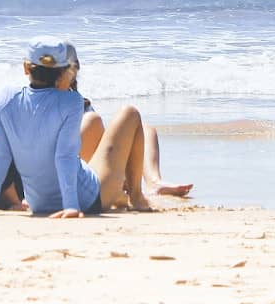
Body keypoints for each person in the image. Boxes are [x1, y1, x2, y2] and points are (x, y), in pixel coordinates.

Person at [0, 37, 153, 217]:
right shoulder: (71, 101)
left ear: (25, 67)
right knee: (130, 114)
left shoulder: (4, 99)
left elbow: (1, 156)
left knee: (91, 128)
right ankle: (137, 197)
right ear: (63, 71)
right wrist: (71, 206)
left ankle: (120, 193)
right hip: (88, 200)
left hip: (38, 204)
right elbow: (65, 156)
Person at [61, 44, 194, 197]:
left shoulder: (80, 102)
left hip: (87, 163)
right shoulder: (55, 104)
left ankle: (154, 181)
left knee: (145, 129)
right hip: (71, 169)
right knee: (95, 122)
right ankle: (131, 188)